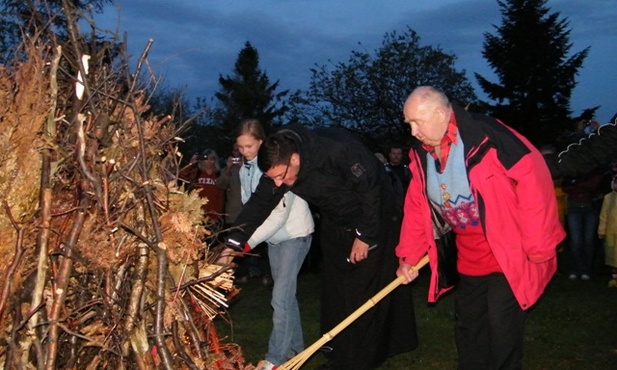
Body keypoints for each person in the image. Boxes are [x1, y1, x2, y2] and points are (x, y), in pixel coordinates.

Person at [395, 86, 565, 370]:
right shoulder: (421, 157)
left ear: (439, 113)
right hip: (469, 258)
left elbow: (535, 180)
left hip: (507, 253)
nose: (412, 132)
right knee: (469, 326)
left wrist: (539, 245)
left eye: (417, 122)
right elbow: (416, 209)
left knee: (501, 326)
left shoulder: (486, 135)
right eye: (408, 124)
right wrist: (408, 258)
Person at [226, 123, 418, 370]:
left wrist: (365, 235)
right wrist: (230, 247)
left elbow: (373, 189)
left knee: (364, 291)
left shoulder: (337, 150)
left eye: (281, 176)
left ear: (295, 158)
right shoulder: (279, 163)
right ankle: (338, 352)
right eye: (272, 178)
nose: (278, 183)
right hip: (336, 222)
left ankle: (358, 359)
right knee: (336, 291)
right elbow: (258, 205)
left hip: (374, 219)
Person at [219, 119, 314, 370]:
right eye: (240, 147)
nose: (244, 152)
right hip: (274, 241)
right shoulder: (243, 171)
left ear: (262, 142)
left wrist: (245, 245)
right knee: (286, 299)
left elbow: (276, 215)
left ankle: (275, 360)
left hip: (295, 236)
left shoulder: (275, 164)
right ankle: (297, 352)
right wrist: (234, 242)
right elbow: (253, 211)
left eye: (249, 146)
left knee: (280, 299)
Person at [561, 169, 604, 280]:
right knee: (576, 241)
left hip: (590, 208)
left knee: (588, 240)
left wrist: (576, 184)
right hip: (574, 208)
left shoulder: (594, 171)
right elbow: (565, 187)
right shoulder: (571, 171)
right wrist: (581, 186)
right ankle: (576, 269)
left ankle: (586, 269)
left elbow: (594, 185)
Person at [180, 149, 225, 225]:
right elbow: (182, 177)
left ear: (215, 160)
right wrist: (191, 164)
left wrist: (216, 216)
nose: (209, 161)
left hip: (212, 216)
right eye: (206, 159)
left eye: (212, 159)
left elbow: (221, 197)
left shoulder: (219, 175)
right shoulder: (196, 172)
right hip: (195, 213)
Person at [598, 175, 617, 287]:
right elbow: (604, 215)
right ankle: (614, 278)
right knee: (612, 257)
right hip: (611, 232)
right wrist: (602, 230)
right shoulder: (608, 198)